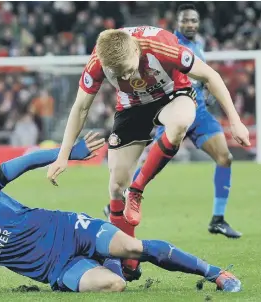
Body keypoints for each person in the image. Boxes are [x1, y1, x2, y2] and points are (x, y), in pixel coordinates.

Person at [0, 132, 241, 295]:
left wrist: (68, 153)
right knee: (113, 284)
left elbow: (25, 162)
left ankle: (214, 273)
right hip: (56, 269)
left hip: (66, 228)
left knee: (135, 249)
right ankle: (109, 259)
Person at [46, 26, 250, 274]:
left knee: (179, 124)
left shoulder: (162, 45)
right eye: (121, 74)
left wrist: (236, 121)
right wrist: (63, 155)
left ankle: (138, 188)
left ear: (135, 47)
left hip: (173, 95)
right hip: (132, 107)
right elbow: (80, 108)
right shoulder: (97, 62)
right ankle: (128, 259)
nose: (130, 76)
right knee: (115, 186)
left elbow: (210, 76)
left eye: (131, 68)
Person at [103, 5, 242, 239]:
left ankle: (218, 219)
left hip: (198, 113)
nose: (190, 25)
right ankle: (123, 196)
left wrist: (206, 89)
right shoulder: (169, 45)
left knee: (225, 157)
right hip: (173, 107)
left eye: (194, 21)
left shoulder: (199, 45)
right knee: (149, 164)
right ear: (177, 22)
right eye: (185, 21)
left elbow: (204, 76)